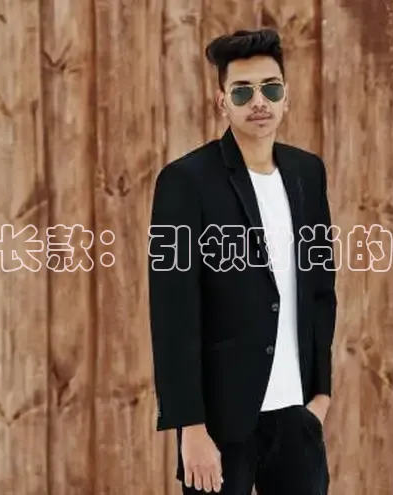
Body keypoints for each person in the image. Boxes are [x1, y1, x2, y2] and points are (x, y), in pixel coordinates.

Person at [147, 28, 337, 495]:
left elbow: (320, 287)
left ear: (286, 97)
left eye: (270, 89)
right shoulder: (184, 181)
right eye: (242, 91)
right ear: (222, 102)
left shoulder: (307, 173)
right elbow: (173, 312)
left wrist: (321, 396)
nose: (258, 102)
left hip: (297, 415)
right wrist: (190, 426)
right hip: (220, 421)